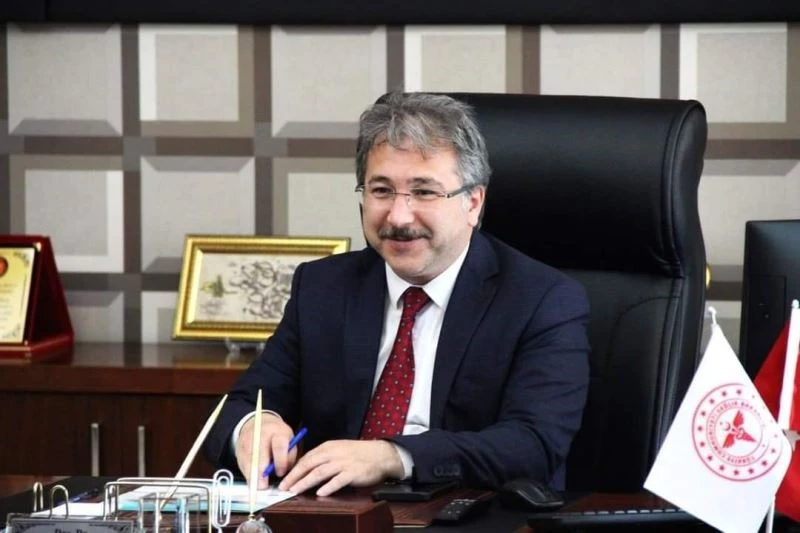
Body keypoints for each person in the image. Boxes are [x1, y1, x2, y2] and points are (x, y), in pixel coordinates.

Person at [203, 91, 590, 497]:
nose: (399, 217)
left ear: (473, 203)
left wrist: (393, 456)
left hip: (469, 514)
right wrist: (252, 426)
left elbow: (533, 445)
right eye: (382, 190)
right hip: (339, 515)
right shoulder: (322, 288)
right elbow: (237, 407)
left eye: (424, 192)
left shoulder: (543, 300)